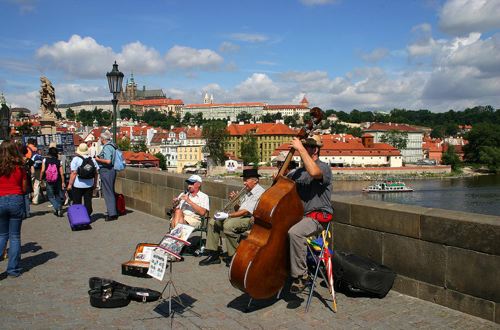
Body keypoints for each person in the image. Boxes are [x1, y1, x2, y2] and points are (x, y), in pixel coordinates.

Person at [287, 135, 333, 294]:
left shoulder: (323, 167)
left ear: (315, 149)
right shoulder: (297, 172)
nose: (304, 150)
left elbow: (314, 172)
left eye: (307, 147)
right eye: (304, 146)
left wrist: (299, 148)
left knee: (295, 233)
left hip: (318, 216)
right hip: (300, 216)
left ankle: (301, 276)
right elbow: (281, 183)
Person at [199, 168, 265, 267]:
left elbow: (246, 211)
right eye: (244, 180)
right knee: (213, 222)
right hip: (240, 216)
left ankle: (235, 255)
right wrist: (235, 200)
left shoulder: (259, 193)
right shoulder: (248, 190)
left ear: (255, 181)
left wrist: (227, 215)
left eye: (246, 180)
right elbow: (239, 209)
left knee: (228, 225)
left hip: (250, 219)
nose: (244, 183)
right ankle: (213, 253)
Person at [0, 141, 27, 277]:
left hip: (0, 199)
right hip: (16, 199)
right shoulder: (20, 166)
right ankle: (13, 269)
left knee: (2, 235)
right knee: (15, 236)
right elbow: (23, 187)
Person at [67, 143, 98, 217]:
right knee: (88, 201)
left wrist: (70, 184)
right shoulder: (92, 160)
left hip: (78, 185)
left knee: (77, 202)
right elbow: (96, 173)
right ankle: (87, 215)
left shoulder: (76, 159)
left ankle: (79, 218)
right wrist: (95, 184)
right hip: (89, 184)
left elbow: (73, 173)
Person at [94, 131, 118, 221]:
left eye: (100, 138)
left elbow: (108, 161)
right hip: (111, 170)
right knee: (110, 191)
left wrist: (98, 159)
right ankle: (113, 211)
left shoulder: (107, 147)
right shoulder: (113, 145)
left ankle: (112, 214)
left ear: (103, 139)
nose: (100, 140)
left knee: (108, 192)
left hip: (107, 171)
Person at [40, 147, 65, 217]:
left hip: (49, 180)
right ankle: (59, 207)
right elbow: (61, 173)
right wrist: (63, 182)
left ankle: (57, 207)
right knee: (57, 195)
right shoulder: (59, 161)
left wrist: (40, 178)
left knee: (50, 196)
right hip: (58, 180)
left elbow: (42, 170)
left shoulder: (45, 160)